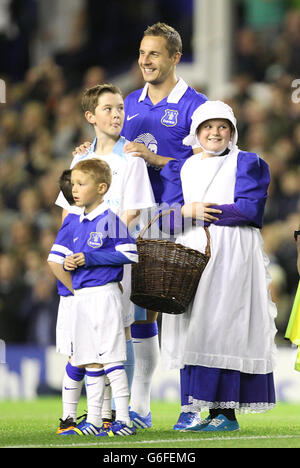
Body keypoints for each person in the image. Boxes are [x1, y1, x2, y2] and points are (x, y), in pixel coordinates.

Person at [74, 22, 208, 430]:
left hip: (177, 218)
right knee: (140, 317)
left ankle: (191, 405)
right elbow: (114, 154)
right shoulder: (128, 102)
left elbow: (209, 163)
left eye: (154, 54)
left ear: (174, 57)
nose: (145, 61)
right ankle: (141, 407)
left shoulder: (196, 105)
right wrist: (90, 154)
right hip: (135, 220)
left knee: (184, 314)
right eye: (141, 53)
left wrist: (155, 161)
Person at [159, 100, 277, 432]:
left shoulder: (248, 163)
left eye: (222, 126)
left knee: (226, 327)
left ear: (232, 131)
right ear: (197, 131)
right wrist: (183, 213)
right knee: (191, 327)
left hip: (234, 256)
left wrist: (196, 211)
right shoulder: (180, 168)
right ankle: (191, 408)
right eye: (208, 127)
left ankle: (224, 413)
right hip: (192, 253)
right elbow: (167, 221)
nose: (215, 132)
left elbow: (250, 211)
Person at [55, 83, 155, 429]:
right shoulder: (80, 158)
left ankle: (115, 413)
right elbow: (68, 212)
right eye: (109, 109)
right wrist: (69, 250)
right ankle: (83, 414)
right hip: (80, 261)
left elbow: (130, 214)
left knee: (119, 333)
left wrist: (96, 249)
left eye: (121, 109)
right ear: (90, 116)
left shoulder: (133, 159)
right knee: (82, 336)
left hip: (112, 260)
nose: (117, 115)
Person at [48, 158, 137, 437]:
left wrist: (90, 258)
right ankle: (95, 420)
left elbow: (130, 253)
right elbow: (56, 258)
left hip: (105, 295)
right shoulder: (75, 221)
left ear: (101, 188)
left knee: (112, 359)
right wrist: (72, 264)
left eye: (81, 184)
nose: (74, 189)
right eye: (73, 184)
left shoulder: (110, 219)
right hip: (82, 298)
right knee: (91, 361)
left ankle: (124, 419)